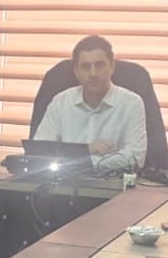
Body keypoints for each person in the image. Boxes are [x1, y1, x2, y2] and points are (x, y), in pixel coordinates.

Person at [33, 35, 146, 171]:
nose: (93, 73)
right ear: (76, 71)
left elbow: (135, 157)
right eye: (86, 67)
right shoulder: (60, 102)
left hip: (113, 182)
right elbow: (40, 151)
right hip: (64, 181)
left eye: (99, 65)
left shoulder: (131, 103)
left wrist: (78, 160)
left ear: (112, 66)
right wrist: (87, 149)